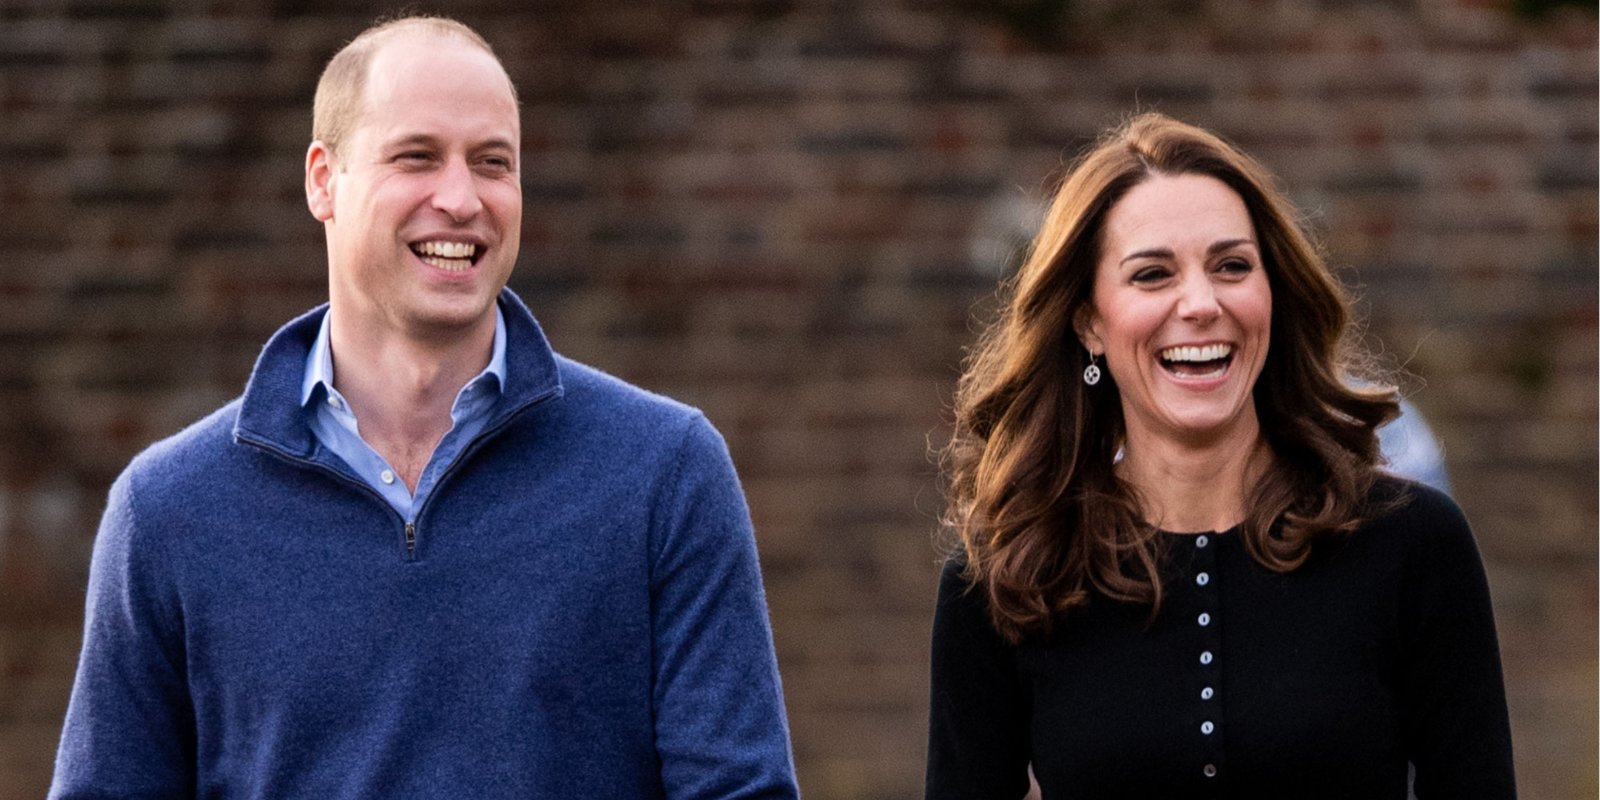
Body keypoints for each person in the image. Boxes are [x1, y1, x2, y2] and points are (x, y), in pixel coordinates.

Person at [51, 16, 798, 799]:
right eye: (417, 157)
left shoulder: (664, 474)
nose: (461, 198)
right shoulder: (169, 511)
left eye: (492, 163)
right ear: (322, 180)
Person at [926, 113, 1514, 798]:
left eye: (1232, 266)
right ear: (1088, 321)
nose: (1201, 304)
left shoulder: (1412, 543)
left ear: (1273, 293)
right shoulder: (1008, 575)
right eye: (1152, 275)